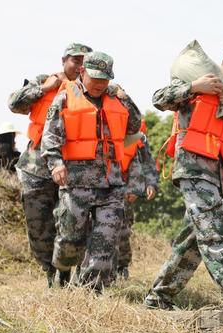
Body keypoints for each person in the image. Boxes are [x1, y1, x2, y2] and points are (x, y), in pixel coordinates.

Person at [144, 43, 223, 312]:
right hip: (192, 166)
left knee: (193, 240)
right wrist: (193, 87)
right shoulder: (199, 78)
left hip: (218, 174)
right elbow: (158, 98)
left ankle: (158, 297)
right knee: (214, 229)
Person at [41, 51, 142, 291]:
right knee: (70, 239)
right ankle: (63, 271)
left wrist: (126, 98)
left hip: (111, 182)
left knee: (105, 240)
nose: (100, 84)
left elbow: (135, 125)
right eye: (95, 78)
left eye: (105, 79)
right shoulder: (65, 97)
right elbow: (50, 136)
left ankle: (88, 291)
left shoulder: (116, 98)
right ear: (82, 71)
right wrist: (56, 163)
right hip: (76, 181)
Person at [8, 42, 92, 287]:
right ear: (64, 60)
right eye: (76, 60)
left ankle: (64, 272)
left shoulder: (91, 90)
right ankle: (49, 271)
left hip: (72, 166)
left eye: (85, 62)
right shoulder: (45, 80)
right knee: (38, 225)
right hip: (36, 166)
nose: (80, 66)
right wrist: (44, 89)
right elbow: (15, 104)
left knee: (68, 223)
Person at [116, 119, 159, 279]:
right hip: (99, 184)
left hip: (126, 188)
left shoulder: (137, 130)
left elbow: (147, 161)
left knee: (123, 229)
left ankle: (121, 267)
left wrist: (150, 184)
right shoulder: (98, 119)